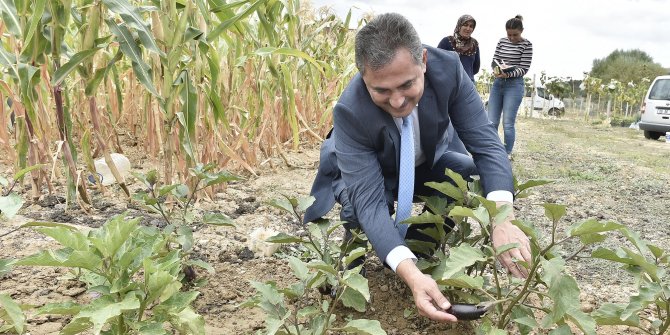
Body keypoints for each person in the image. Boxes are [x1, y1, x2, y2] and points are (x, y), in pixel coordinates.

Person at [304, 13, 531, 323]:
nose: (397, 101)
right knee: (361, 213)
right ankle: (350, 269)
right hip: (367, 170)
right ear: (363, 76)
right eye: (381, 91)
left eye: (407, 85)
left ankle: (417, 251)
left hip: (421, 162)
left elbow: (487, 145)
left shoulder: (448, 69)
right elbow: (369, 201)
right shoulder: (350, 110)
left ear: (423, 60)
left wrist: (502, 219)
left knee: (470, 176)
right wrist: (409, 274)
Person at [487, 15, 533, 159]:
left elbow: (524, 68)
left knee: (507, 122)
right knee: (491, 121)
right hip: (498, 83)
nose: (512, 38)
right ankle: (492, 150)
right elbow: (495, 59)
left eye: (515, 35)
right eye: (509, 34)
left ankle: (507, 152)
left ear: (522, 31)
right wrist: (497, 70)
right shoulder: (501, 41)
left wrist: (509, 74)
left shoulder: (527, 45)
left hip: (514, 85)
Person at [437, 14, 480, 82]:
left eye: (471, 26)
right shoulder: (447, 41)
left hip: (469, 84)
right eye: (465, 25)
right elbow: (436, 62)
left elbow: (476, 68)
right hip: (449, 84)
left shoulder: (474, 44)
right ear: (459, 25)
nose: (468, 28)